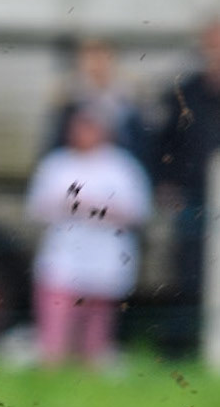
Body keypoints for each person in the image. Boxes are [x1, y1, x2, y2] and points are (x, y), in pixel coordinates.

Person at [26, 105, 151, 369]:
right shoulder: (57, 164)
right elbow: (38, 206)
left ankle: (91, 368)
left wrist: (91, 207)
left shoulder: (120, 166)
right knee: (57, 319)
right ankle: (53, 365)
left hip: (105, 256)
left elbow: (137, 210)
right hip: (64, 256)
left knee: (97, 326)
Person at [153, 19, 220, 348]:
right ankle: (181, 345)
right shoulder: (185, 91)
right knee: (189, 271)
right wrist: (166, 183)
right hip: (193, 196)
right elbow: (163, 143)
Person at [43, 38, 149, 167]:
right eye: (90, 59)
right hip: (78, 159)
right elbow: (56, 138)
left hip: (121, 159)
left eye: (102, 58)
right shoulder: (68, 94)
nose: (96, 64)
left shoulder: (130, 93)